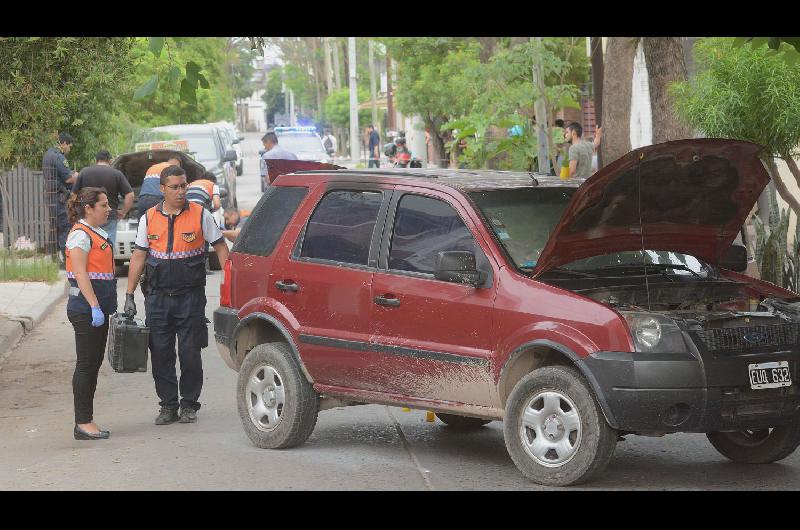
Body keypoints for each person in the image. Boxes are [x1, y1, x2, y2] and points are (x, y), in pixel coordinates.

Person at [124, 165, 229, 425]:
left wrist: (230, 284)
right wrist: (129, 295)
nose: (181, 191)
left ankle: (190, 404)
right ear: (162, 189)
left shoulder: (201, 214)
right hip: (157, 298)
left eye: (183, 186)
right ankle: (168, 405)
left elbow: (221, 248)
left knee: (190, 352)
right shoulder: (149, 217)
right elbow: (138, 256)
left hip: (190, 297)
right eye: (175, 187)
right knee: (161, 353)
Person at [64, 187, 116, 440]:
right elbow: (80, 273)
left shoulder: (94, 233)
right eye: (104, 205)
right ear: (89, 208)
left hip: (96, 309)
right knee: (86, 365)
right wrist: (94, 306)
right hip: (86, 310)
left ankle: (86, 420)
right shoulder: (80, 236)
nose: (108, 209)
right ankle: (83, 422)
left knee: (92, 365)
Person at [72, 150, 134, 249]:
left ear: (96, 160)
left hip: (88, 215)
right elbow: (130, 195)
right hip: (109, 215)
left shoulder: (84, 172)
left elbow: (74, 195)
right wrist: (123, 212)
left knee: (87, 246)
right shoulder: (116, 174)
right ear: (109, 161)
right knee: (107, 248)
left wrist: (77, 212)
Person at [43, 132, 78, 262]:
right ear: (63, 143)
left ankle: (54, 259)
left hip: (51, 197)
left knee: (54, 227)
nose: (69, 149)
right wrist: (78, 175)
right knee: (65, 227)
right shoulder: (58, 157)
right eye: (69, 146)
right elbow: (69, 178)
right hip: (59, 198)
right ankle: (66, 259)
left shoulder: (48, 154)